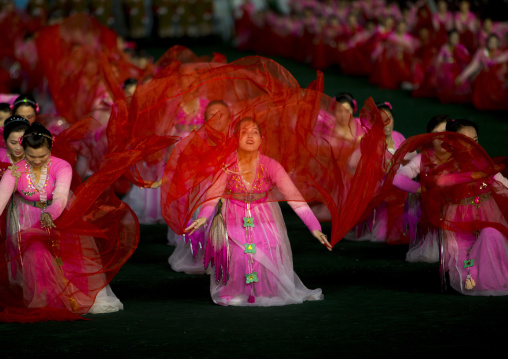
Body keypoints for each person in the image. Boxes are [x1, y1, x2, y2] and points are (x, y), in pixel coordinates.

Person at [184, 118, 331, 306]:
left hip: (265, 216)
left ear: (262, 139)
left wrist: (314, 227)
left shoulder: (270, 165)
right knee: (237, 256)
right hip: (233, 216)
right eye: (244, 132)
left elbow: (294, 198)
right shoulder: (226, 165)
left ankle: (265, 292)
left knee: (267, 250)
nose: (250, 136)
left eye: (254, 132)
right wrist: (203, 217)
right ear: (235, 138)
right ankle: (235, 291)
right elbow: (212, 195)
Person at [0, 122, 124, 322]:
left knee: (67, 260)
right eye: (32, 156)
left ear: (50, 149)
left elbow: (60, 198)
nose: (37, 160)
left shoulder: (61, 166)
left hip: (61, 217)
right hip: (28, 222)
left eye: (42, 156)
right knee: (36, 254)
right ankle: (44, 301)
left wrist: (49, 214)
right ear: (24, 150)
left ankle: (70, 298)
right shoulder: (15, 170)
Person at [393, 115, 451, 263]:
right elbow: (397, 178)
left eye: (446, 133)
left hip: (457, 214)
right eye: (436, 135)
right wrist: (423, 190)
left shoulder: (460, 156)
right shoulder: (423, 158)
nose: (442, 138)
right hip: (433, 216)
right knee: (431, 256)